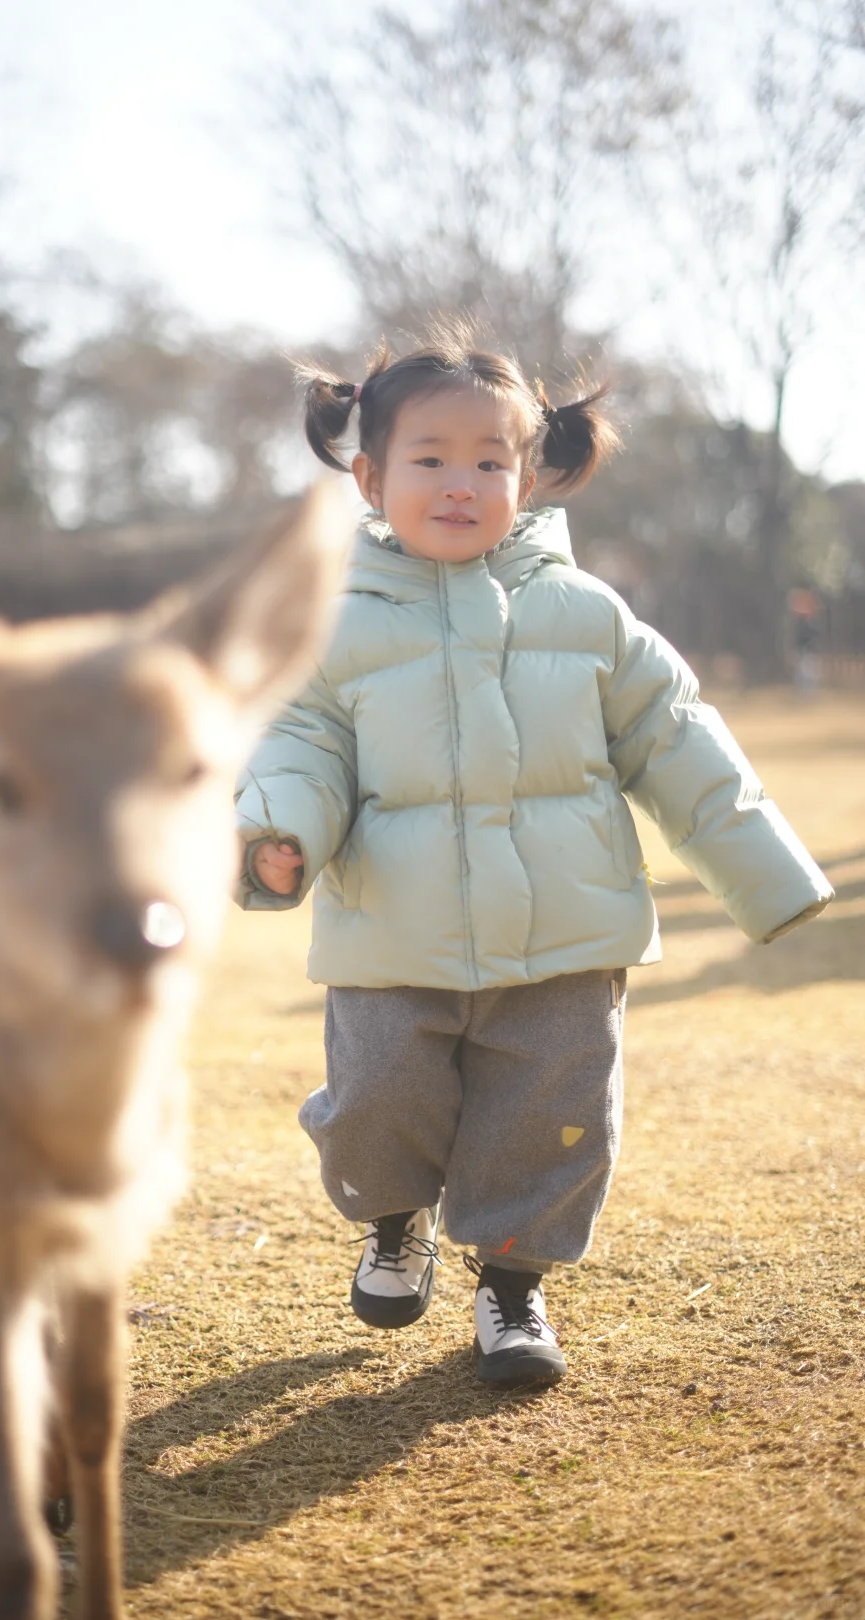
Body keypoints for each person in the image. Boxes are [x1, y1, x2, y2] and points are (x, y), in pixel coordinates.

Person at [234, 325, 833, 1390]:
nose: (460, 483)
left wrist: (768, 874)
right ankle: (391, 1220)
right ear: (370, 477)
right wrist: (279, 834)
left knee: (548, 1123)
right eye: (429, 459)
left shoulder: (589, 617)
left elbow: (680, 741)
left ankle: (511, 1296)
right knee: (377, 1107)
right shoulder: (336, 627)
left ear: (530, 474)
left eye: (489, 461)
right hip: (394, 937)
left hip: (566, 936)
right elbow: (301, 746)